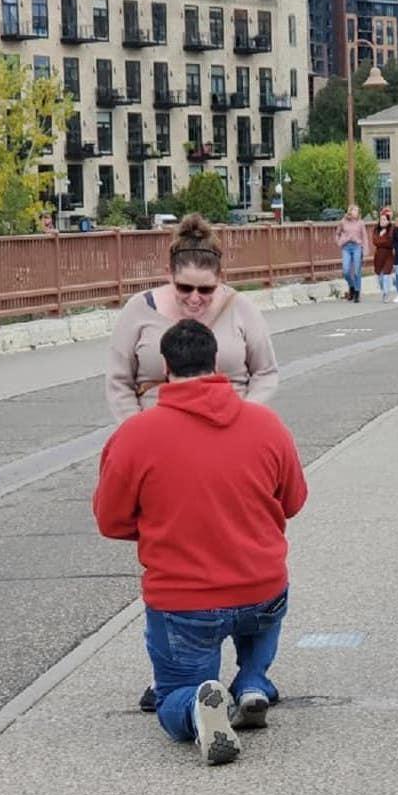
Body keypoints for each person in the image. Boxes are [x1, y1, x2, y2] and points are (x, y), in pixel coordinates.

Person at [93, 319, 308, 766]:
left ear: (165, 367)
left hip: (184, 601)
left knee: (173, 693)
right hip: (261, 589)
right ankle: (252, 682)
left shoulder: (134, 437)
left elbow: (111, 521)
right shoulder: (266, 425)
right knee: (262, 615)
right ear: (217, 363)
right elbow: (293, 501)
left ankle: (196, 708)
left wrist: (166, 526)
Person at [104, 213, 280, 713]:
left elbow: (265, 372)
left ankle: (226, 682)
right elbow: (119, 379)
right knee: (174, 558)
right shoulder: (139, 312)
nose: (196, 301)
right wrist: (136, 431)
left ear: (220, 279)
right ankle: (183, 676)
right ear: (170, 275)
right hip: (161, 446)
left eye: (206, 289)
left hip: (233, 435)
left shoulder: (241, 310)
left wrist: (247, 419)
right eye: (186, 289)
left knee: (236, 543)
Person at [334, 204, 370, 303]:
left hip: (357, 247)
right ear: (350, 211)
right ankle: (352, 286)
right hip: (346, 247)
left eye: (357, 211)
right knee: (346, 270)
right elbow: (337, 233)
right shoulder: (343, 221)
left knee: (357, 270)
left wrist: (365, 249)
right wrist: (339, 242)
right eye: (354, 210)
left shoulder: (360, 223)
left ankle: (357, 292)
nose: (356, 212)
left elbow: (365, 236)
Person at [371, 207, 395, 303]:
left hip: (388, 255)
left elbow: (390, 243)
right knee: (380, 278)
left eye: (384, 219)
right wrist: (381, 237)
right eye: (381, 219)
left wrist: (381, 240)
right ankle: (384, 289)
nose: (382, 221)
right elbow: (375, 241)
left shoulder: (391, 230)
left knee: (386, 275)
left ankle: (386, 294)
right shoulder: (376, 229)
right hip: (378, 256)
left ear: (388, 221)